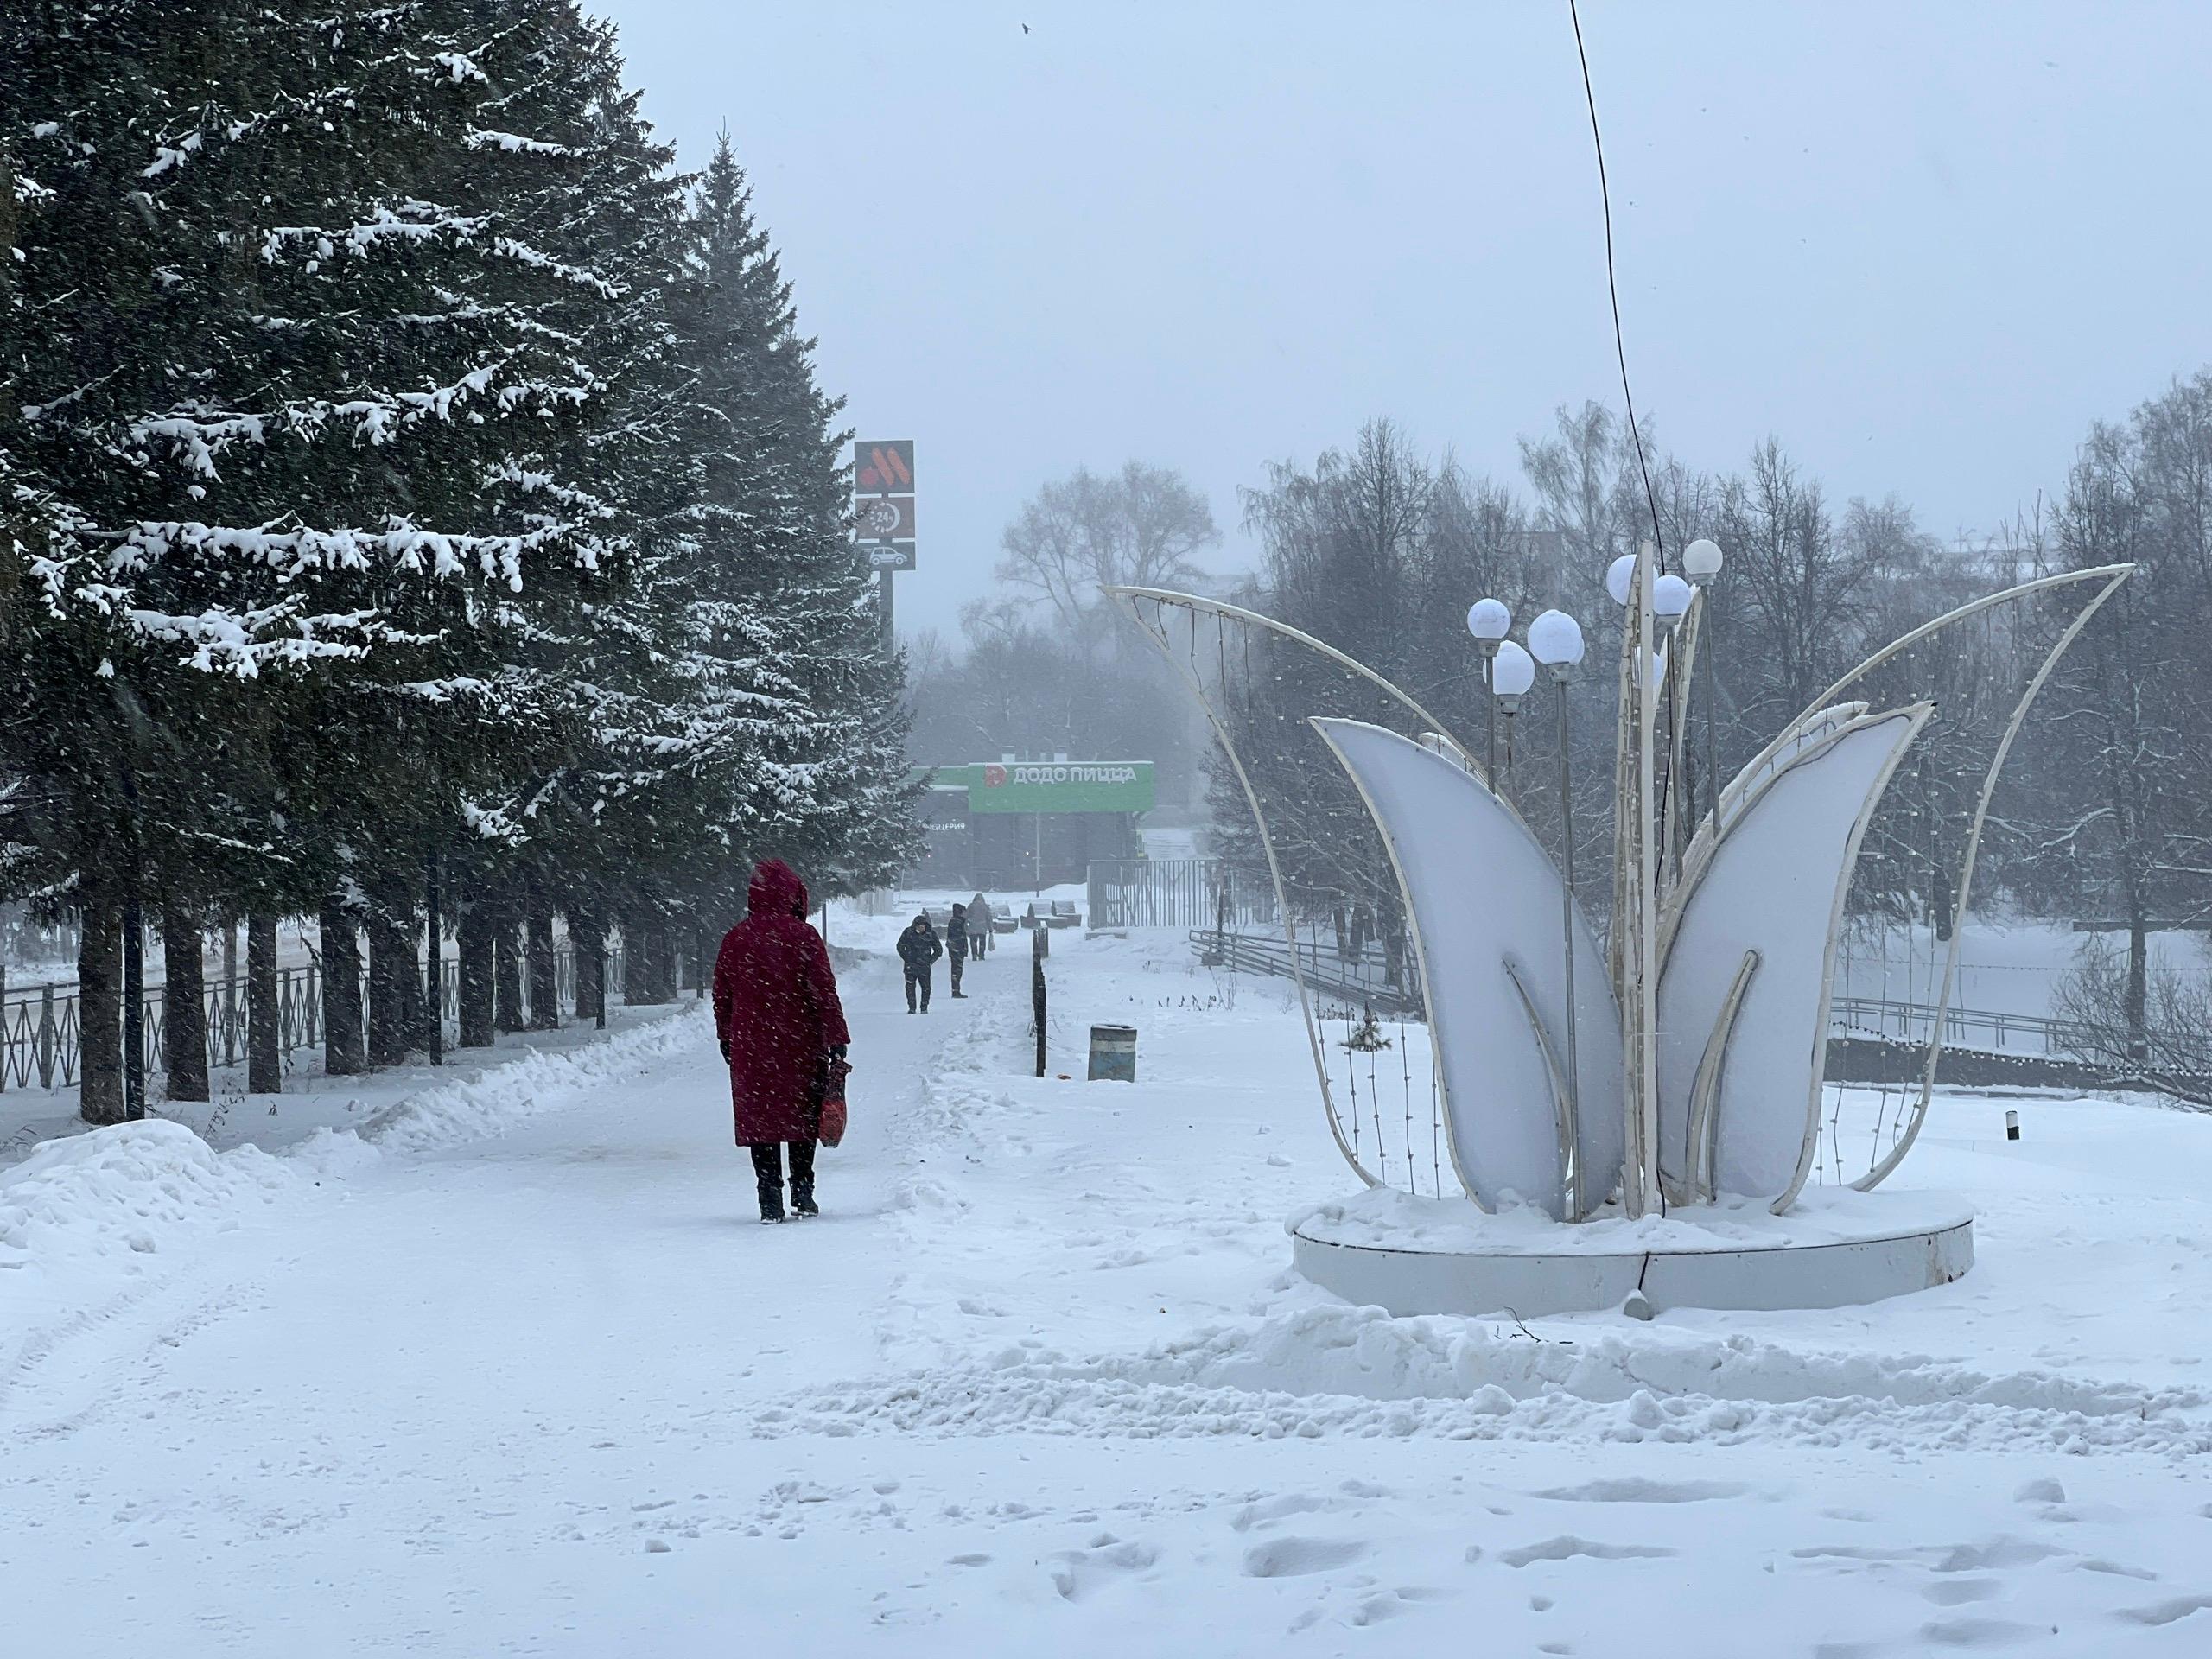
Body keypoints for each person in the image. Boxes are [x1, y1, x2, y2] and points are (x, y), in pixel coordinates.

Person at [711, 859, 849, 1224]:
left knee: (762, 1120)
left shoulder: (736, 938)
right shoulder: (803, 937)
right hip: (801, 1043)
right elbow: (824, 992)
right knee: (803, 1118)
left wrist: (727, 1036)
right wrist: (836, 1037)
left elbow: (722, 995)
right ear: (793, 895)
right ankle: (803, 1194)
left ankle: (769, 1199)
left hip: (751, 1045)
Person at [897, 911, 943, 1012]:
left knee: (926, 988)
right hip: (911, 966)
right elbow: (900, 946)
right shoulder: (908, 933)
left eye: (924, 925)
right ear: (915, 925)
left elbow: (938, 950)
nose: (922, 927)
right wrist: (907, 957)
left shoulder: (930, 934)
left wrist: (930, 960)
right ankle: (912, 1007)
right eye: (920, 925)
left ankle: (924, 1007)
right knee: (910, 987)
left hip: (924, 966)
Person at [946, 902, 969, 999]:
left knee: (957, 970)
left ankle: (956, 990)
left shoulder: (957, 921)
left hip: (956, 949)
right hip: (956, 949)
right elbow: (958, 937)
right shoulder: (957, 922)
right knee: (956, 970)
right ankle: (955, 990)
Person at [968, 893, 992, 960]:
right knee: (982, 942)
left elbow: (966, 916)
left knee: (973, 942)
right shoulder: (985, 906)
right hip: (982, 927)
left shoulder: (971, 905)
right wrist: (990, 928)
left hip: (973, 926)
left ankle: (974, 954)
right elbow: (989, 918)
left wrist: (966, 926)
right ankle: (981, 955)